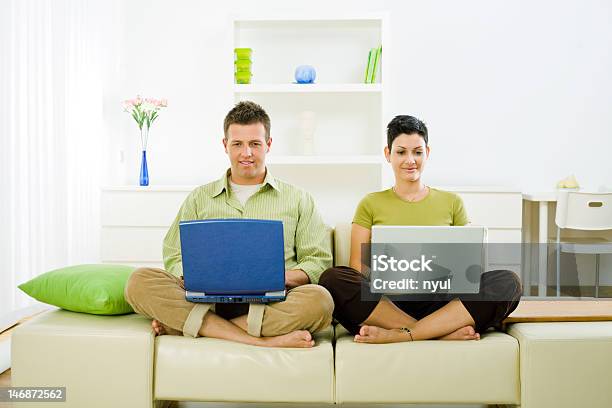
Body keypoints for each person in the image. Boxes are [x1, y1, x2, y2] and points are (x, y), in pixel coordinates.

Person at [125, 101, 334, 348]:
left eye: (255, 144)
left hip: (273, 302)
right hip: (206, 300)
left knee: (320, 301)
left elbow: (318, 261)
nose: (246, 153)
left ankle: (194, 327)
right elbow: (174, 253)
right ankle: (262, 340)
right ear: (225, 145)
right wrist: (199, 276)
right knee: (138, 282)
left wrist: (276, 278)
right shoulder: (199, 197)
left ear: (268, 144)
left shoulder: (298, 199)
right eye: (238, 144)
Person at [319, 115, 522, 343]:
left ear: (428, 153)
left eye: (417, 152)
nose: (410, 160)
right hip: (388, 304)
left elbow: (469, 269)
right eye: (401, 152)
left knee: (509, 282)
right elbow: (357, 267)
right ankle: (435, 332)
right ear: (388, 154)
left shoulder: (452, 202)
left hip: (441, 301)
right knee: (332, 279)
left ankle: (404, 335)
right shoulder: (370, 203)